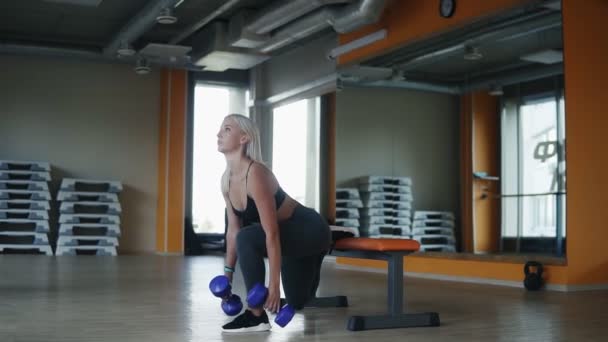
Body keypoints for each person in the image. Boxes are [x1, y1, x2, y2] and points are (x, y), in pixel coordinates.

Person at [217, 113, 331, 333]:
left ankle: (255, 315)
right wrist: (227, 282)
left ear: (244, 138)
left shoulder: (256, 173)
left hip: (310, 229)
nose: (218, 134)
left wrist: (274, 286)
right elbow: (232, 231)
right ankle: (310, 266)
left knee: (248, 237)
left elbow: (271, 234)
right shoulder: (226, 181)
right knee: (297, 301)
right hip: (288, 236)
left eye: (227, 129)